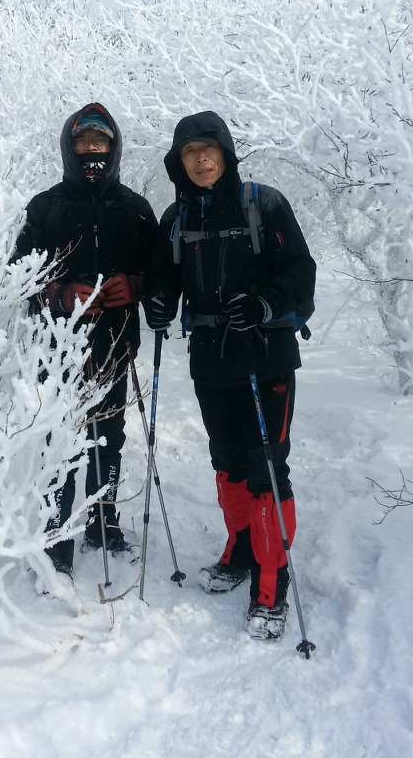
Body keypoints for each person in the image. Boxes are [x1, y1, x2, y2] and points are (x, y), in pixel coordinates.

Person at [144, 111, 316, 640]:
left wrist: (265, 304)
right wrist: (157, 301)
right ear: (178, 161)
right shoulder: (176, 219)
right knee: (227, 461)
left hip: (265, 358)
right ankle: (241, 551)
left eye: (209, 149)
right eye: (189, 152)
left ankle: (272, 579)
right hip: (210, 360)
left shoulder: (264, 205)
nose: (200, 159)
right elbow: (162, 275)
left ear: (225, 153)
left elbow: (301, 272)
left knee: (266, 468)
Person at [11, 103, 158, 578]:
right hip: (57, 348)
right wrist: (57, 295)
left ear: (113, 149)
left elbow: (160, 273)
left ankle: (102, 519)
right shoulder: (45, 207)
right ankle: (57, 531)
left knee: (108, 436)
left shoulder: (135, 209)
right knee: (58, 438)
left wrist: (134, 286)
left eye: (100, 142)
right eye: (82, 142)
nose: (92, 150)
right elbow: (18, 278)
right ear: (69, 148)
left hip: (115, 344)